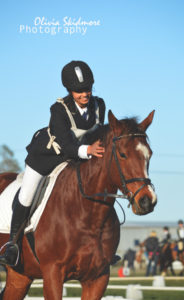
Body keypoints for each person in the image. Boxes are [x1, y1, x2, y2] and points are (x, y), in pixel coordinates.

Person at [0, 60, 105, 266]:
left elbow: (98, 133)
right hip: (47, 158)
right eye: (79, 91)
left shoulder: (98, 104)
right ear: (69, 90)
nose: (85, 94)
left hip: (78, 160)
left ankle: (100, 244)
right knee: (27, 194)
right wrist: (88, 150)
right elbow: (66, 145)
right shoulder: (58, 109)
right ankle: (12, 245)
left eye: (88, 89)